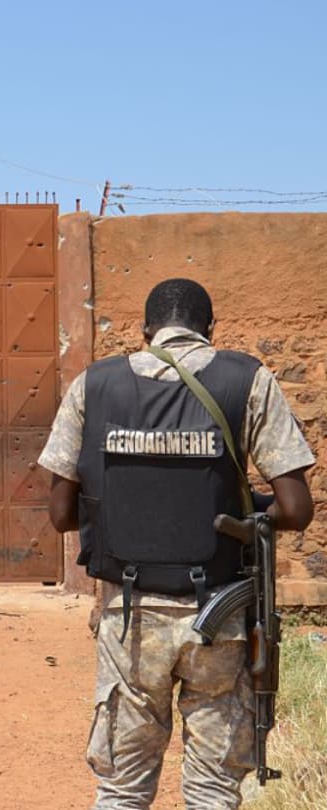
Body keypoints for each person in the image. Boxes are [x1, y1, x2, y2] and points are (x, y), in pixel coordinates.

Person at [39, 278, 314, 809]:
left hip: (130, 619)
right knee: (212, 791)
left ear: (146, 332)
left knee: (121, 791)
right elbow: (296, 510)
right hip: (220, 615)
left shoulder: (93, 385)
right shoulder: (247, 380)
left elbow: (59, 515)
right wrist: (234, 514)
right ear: (210, 330)